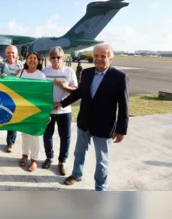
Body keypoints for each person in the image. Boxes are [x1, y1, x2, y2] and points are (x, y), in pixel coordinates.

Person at [54, 44, 129, 191]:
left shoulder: (119, 77)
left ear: (110, 58)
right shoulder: (87, 73)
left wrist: (121, 130)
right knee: (79, 152)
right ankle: (76, 174)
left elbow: (124, 105)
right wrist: (62, 103)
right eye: (96, 56)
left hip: (104, 126)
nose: (99, 59)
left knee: (102, 161)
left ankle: (100, 188)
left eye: (103, 56)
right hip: (84, 123)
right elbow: (79, 93)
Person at [42, 46, 78, 175]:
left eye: (58, 57)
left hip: (64, 111)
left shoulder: (69, 71)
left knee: (65, 137)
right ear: (49, 58)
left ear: (63, 58)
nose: (56, 59)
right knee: (47, 136)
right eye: (53, 57)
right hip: (49, 110)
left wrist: (64, 86)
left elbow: (76, 90)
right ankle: (49, 157)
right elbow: (40, 91)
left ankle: (62, 161)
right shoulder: (45, 72)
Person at [17, 52, 46, 172]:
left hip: (36, 109)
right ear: (26, 60)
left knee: (34, 135)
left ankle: (34, 159)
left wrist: (45, 112)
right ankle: (24, 154)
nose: (32, 60)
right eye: (30, 58)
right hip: (23, 108)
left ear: (38, 61)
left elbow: (44, 95)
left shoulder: (41, 75)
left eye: (35, 58)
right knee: (24, 134)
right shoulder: (21, 73)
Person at [0, 45, 24, 152]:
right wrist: (1, 76)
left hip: (16, 97)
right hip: (3, 95)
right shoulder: (1, 64)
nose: (10, 55)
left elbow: (25, 80)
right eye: (8, 52)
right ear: (5, 53)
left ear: (17, 54)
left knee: (13, 119)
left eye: (13, 53)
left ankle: (10, 143)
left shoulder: (22, 65)